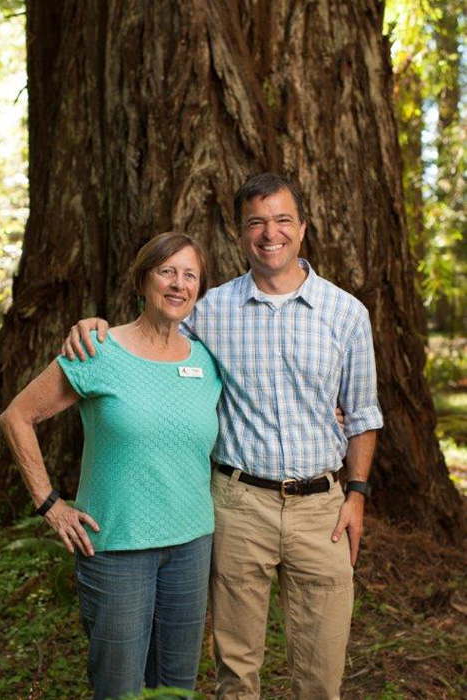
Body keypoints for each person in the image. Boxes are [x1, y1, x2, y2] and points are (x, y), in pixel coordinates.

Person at [62, 173, 384, 700]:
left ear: (302, 228)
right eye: (255, 222)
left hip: (323, 508)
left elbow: (365, 414)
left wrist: (357, 493)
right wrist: (95, 326)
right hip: (238, 505)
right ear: (240, 235)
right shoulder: (208, 313)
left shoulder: (347, 313)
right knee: (235, 671)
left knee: (322, 672)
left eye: (282, 220)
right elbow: (150, 339)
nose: (269, 233)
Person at [0, 232, 222, 700]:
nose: (178, 284)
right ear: (142, 280)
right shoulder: (98, 350)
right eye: (167, 271)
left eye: (190, 275)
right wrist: (50, 504)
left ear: (199, 289)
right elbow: (16, 416)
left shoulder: (207, 360)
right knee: (119, 689)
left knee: (177, 688)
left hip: (192, 547)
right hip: (117, 549)